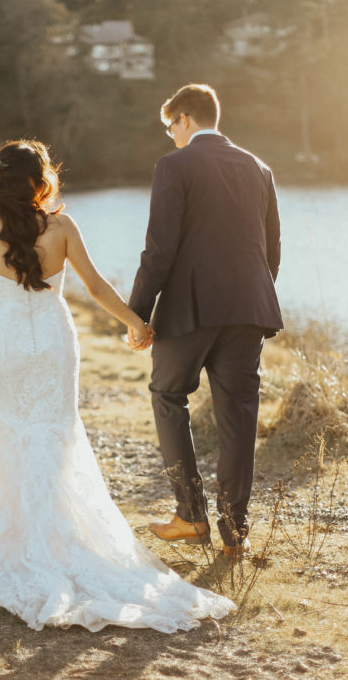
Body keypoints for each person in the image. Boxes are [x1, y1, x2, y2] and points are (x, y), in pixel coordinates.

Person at [0, 140, 234, 633]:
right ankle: (59, 538)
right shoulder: (63, 228)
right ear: (39, 181)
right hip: (53, 341)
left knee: (8, 433)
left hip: (4, 343)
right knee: (55, 432)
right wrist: (136, 322)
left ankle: (19, 544)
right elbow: (95, 285)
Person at [128, 84, 283, 557]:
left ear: (186, 119)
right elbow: (271, 252)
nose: (170, 134)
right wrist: (248, 300)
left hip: (189, 310)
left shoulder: (174, 165)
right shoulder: (260, 168)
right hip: (248, 309)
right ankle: (235, 530)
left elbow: (160, 250)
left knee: (167, 395)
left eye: (170, 124)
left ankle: (191, 516)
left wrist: (137, 314)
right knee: (238, 414)